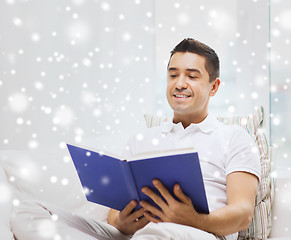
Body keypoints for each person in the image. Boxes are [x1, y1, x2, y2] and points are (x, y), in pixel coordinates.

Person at [11, 38, 260, 240]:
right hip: (135, 234)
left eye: (192, 76)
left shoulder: (234, 138)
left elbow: (242, 214)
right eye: (173, 75)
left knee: (160, 233)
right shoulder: (142, 139)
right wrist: (123, 222)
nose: (180, 83)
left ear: (214, 87)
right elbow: (114, 215)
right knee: (30, 211)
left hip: (196, 233)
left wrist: (193, 219)